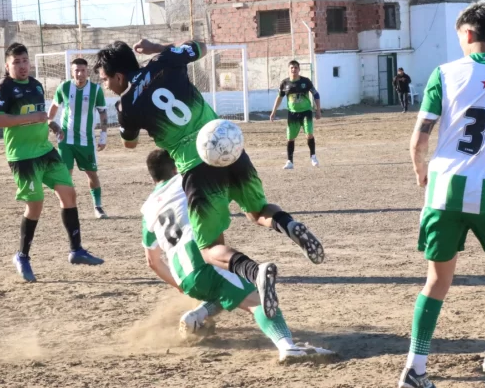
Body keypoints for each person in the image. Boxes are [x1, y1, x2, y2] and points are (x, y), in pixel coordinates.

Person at [93, 39, 325, 318]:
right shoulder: (164, 62)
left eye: (106, 80)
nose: (106, 86)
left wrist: (126, 124)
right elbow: (201, 46)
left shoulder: (125, 106)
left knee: (209, 249)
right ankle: (290, 225)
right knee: (257, 211)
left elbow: (129, 144)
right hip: (227, 143)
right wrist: (158, 48)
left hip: (196, 165)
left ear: (119, 76)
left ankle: (255, 271)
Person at [399, 0, 485, 388]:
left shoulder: (443, 73)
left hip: (443, 189)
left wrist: (421, 173)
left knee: (437, 280)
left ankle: (416, 368)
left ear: (467, 33)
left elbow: (418, 140)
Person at [140, 149, 335, 363]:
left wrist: (180, 286)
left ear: (153, 176)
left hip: (182, 274)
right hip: (202, 260)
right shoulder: (185, 180)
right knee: (259, 299)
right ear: (176, 166)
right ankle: (287, 346)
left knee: (228, 287)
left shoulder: (148, 208)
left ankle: (198, 315)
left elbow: (153, 262)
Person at [0, 42, 104, 283]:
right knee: (36, 205)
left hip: (45, 150)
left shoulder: (36, 85)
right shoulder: (4, 88)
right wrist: (33, 117)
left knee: (69, 194)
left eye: (25, 61)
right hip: (22, 156)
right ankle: (22, 256)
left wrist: (50, 124)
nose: (22, 66)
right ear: (7, 65)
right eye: (16, 62)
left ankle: (76, 250)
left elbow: (41, 114)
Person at [48, 58, 110, 219]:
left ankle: (98, 207)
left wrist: (103, 135)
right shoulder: (64, 87)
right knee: (65, 176)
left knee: (92, 174)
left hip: (86, 141)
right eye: (76, 70)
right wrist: (51, 124)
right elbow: (53, 110)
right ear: (71, 71)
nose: (80, 74)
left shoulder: (96, 90)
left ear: (87, 71)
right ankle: (68, 208)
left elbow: (103, 112)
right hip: (66, 141)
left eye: (83, 70)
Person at [269, 60, 322, 169]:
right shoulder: (285, 83)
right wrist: (273, 111)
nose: (294, 70)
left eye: (296, 68)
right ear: (289, 70)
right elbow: (279, 97)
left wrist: (318, 110)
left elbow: (316, 94)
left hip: (306, 112)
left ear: (299, 69)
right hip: (292, 114)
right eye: (292, 68)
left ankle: (313, 157)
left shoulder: (306, 82)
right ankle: (290, 162)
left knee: (309, 134)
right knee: (290, 138)